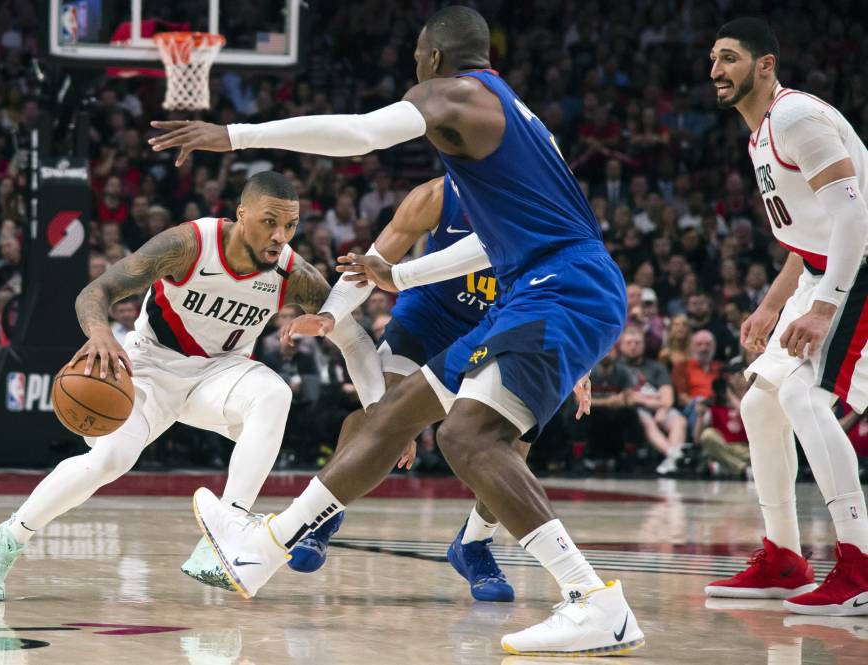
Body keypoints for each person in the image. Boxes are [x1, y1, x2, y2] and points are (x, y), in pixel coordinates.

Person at [149, 6, 642, 655]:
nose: (414, 68)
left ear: (435, 57)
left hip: (561, 286)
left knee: (468, 434)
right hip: (541, 283)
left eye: (416, 56)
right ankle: (261, 550)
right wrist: (401, 277)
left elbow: (360, 133)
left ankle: (594, 601)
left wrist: (235, 134)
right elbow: (499, 240)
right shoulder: (507, 117)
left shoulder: (454, 94)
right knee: (394, 414)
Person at [0, 171, 384, 602]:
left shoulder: (293, 274)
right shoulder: (189, 244)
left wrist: (380, 410)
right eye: (269, 221)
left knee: (274, 393)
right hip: (150, 367)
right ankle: (4, 540)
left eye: (290, 226)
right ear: (241, 215)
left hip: (220, 374)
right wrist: (100, 333)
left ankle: (225, 533)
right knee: (110, 459)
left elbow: (354, 338)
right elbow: (97, 291)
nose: (280, 236)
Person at [284, 176, 586, 602]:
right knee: (383, 413)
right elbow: (371, 265)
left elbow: (568, 280)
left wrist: (579, 360)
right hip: (428, 319)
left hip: (502, 325)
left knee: (510, 442)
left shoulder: (540, 198)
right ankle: (323, 514)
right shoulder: (435, 197)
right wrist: (332, 314)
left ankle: (473, 544)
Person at [702, 18, 868, 616]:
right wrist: (774, 303)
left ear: (765, 64)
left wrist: (823, 310)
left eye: (729, 58)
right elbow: (813, 234)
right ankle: (784, 560)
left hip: (860, 269)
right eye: (713, 60)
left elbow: (854, 220)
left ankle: (860, 567)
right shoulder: (761, 134)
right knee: (759, 403)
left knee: (805, 399)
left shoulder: (796, 118)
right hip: (828, 270)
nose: (716, 70)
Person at [619, 327, 688, 474]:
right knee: (646, 421)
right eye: (629, 343)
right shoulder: (618, 368)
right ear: (621, 345)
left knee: (679, 421)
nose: (633, 346)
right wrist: (653, 400)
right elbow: (628, 398)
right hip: (635, 411)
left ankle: (672, 462)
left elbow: (668, 397)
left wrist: (661, 408)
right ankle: (675, 455)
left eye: (637, 343)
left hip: (660, 407)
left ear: (644, 345)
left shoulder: (657, 367)